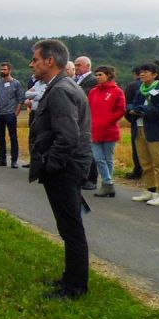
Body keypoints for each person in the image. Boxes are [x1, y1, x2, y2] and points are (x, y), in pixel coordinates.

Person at [28, 39, 92, 299]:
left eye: (35, 59)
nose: (32, 64)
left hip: (65, 168)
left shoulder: (60, 91)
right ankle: (71, 278)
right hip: (67, 166)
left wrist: (50, 165)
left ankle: (75, 288)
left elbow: (67, 137)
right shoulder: (60, 86)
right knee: (68, 226)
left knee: (71, 228)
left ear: (50, 61)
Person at [127, 61, 159, 206]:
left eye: (146, 71)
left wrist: (142, 110)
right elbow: (131, 105)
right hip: (139, 129)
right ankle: (150, 190)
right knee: (145, 162)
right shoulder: (140, 90)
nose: (142, 74)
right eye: (141, 71)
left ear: (155, 74)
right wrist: (132, 109)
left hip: (156, 131)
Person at [88, 65, 126, 198]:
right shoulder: (93, 92)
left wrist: (107, 121)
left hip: (109, 129)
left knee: (108, 158)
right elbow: (89, 109)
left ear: (108, 75)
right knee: (99, 158)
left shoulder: (117, 91)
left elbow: (120, 110)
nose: (98, 77)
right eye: (96, 75)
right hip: (94, 129)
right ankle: (108, 182)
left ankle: (107, 184)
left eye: (100, 75)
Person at [0, 62, 26, 168]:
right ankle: (2, 159)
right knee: (0, 137)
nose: (2, 71)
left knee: (13, 137)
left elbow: (21, 99)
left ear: (10, 70)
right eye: (1, 69)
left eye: (4, 70)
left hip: (10, 114)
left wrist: (16, 113)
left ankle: (14, 160)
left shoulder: (16, 83)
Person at [74, 56, 99, 190]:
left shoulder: (93, 81)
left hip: (86, 118)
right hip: (77, 118)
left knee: (88, 149)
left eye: (79, 65)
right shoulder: (76, 80)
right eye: (76, 65)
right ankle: (82, 176)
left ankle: (92, 178)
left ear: (88, 66)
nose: (76, 68)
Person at [122, 67, 144, 180]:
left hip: (136, 120)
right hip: (151, 122)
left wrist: (131, 118)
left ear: (135, 74)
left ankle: (138, 171)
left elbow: (126, 104)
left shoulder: (132, 86)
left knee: (136, 147)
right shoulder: (156, 85)